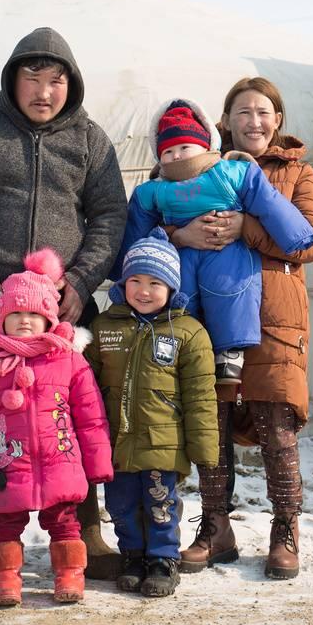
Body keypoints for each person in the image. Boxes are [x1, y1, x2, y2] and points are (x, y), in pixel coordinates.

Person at [0, 27, 128, 585]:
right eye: (33, 79)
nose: (44, 92)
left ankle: (87, 534)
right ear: (12, 79)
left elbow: (112, 214)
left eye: (56, 81)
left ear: (72, 84)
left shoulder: (89, 139)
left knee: (74, 416)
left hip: (64, 309)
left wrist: (83, 282)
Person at [175, 77, 313, 580]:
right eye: (243, 112)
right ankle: (216, 527)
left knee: (277, 427)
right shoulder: (200, 167)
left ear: (278, 120)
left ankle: (285, 530)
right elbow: (158, 220)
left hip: (278, 316)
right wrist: (181, 232)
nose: (254, 122)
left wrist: (247, 229)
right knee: (211, 425)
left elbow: (310, 242)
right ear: (225, 121)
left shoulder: (298, 174)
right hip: (213, 314)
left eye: (264, 112)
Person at [115, 98, 313, 387]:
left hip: (227, 252)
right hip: (181, 255)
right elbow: (136, 229)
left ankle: (230, 353)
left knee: (231, 291)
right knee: (178, 302)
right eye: (168, 151)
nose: (177, 156)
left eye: (185, 147)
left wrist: (296, 234)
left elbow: (268, 203)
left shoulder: (231, 171)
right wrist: (123, 267)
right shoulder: (153, 190)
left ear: (207, 145)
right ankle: (177, 358)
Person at [0, 248, 113, 606]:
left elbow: (91, 415)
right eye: (16, 313)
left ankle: (70, 574)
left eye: (34, 314)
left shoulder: (69, 360)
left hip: (61, 461)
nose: (25, 320)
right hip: (7, 465)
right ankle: (6, 578)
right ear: (0, 318)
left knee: (66, 524)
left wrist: (98, 462)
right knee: (3, 526)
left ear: (50, 319)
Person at [85, 228, 218, 597]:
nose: (144, 290)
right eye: (136, 280)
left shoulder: (188, 333)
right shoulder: (104, 327)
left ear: (172, 288)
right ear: (123, 283)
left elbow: (200, 397)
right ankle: (132, 556)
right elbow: (86, 385)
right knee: (121, 505)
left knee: (161, 504)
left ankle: (162, 560)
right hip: (117, 441)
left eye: (155, 282)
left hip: (164, 442)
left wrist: (204, 450)